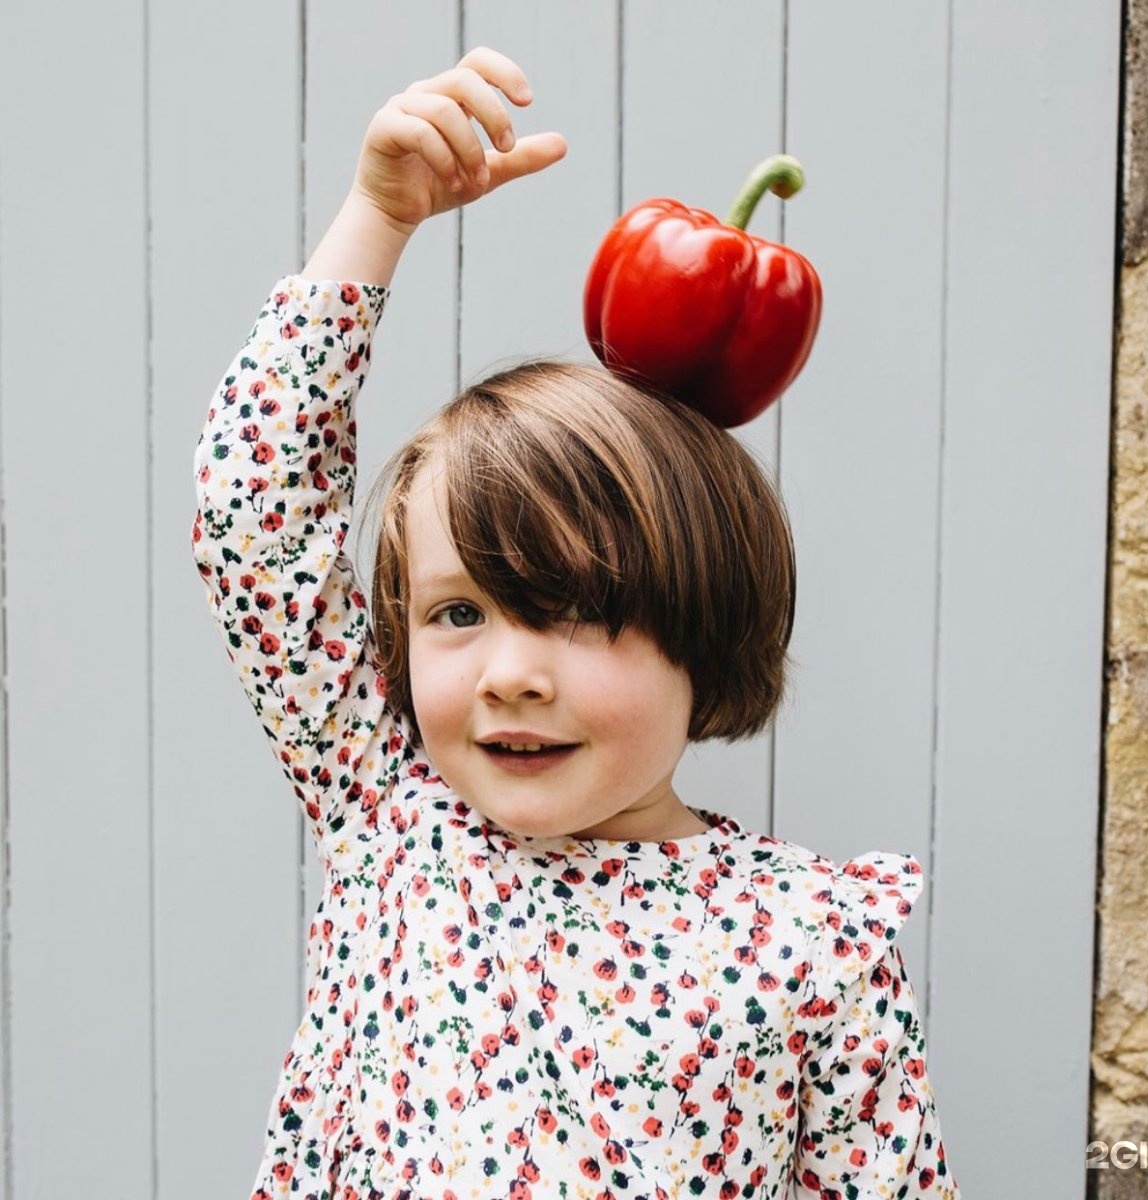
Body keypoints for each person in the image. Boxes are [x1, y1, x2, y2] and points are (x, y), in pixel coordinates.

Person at [191, 45, 959, 1200]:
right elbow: (252, 514)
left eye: (579, 613)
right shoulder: (393, 821)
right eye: (459, 612)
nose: (507, 674)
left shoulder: (814, 942)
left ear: (711, 629)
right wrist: (373, 221)